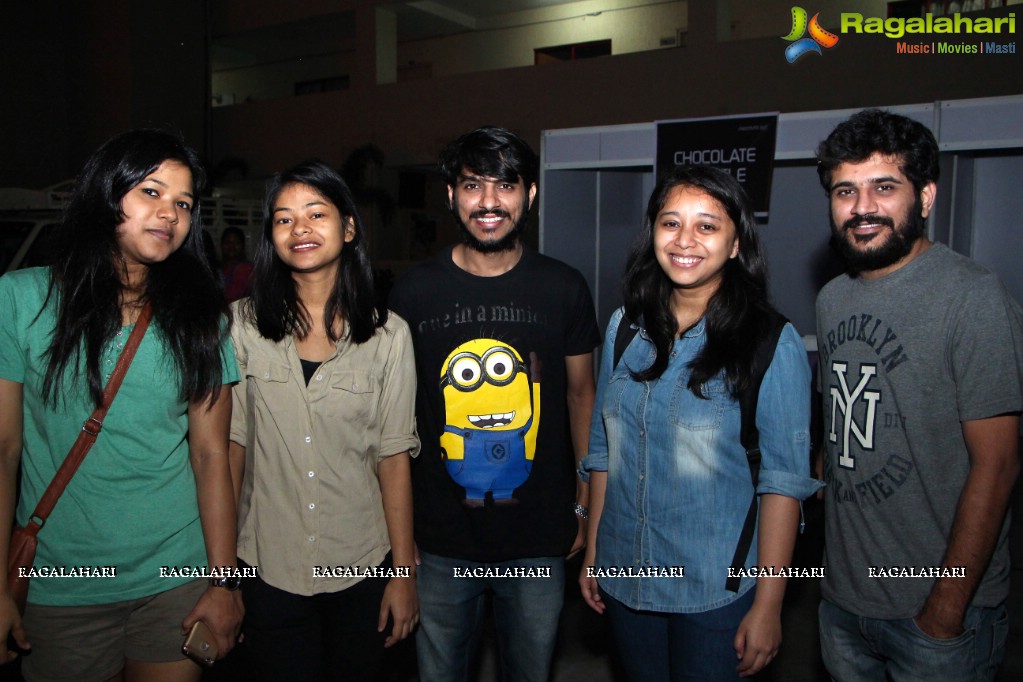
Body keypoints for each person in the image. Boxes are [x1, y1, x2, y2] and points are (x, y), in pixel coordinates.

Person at [0, 128, 242, 681]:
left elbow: (212, 458)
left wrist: (224, 582)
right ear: (106, 195)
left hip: (173, 576)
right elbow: (5, 450)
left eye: (183, 203)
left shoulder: (203, 317)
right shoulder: (20, 299)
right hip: (62, 584)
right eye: (151, 193)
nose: (169, 214)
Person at [579, 165, 821, 681]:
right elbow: (605, 452)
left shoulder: (769, 343)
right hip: (626, 577)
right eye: (671, 223)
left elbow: (782, 485)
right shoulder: (625, 328)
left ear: (735, 244)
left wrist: (769, 605)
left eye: (707, 226)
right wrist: (596, 551)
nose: (685, 240)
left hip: (717, 591)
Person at [814, 108, 1023, 681]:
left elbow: (998, 465)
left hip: (934, 618)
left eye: (885, 187)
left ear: (925, 196)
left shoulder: (973, 298)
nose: (862, 208)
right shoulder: (832, 298)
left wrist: (944, 610)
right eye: (845, 191)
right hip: (842, 605)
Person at [389, 126, 599, 682]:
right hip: (439, 540)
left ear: (530, 194)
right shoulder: (413, 293)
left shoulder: (563, 287)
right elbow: (398, 420)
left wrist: (583, 501)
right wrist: (400, 535)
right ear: (451, 195)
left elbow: (583, 395)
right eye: (473, 185)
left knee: (530, 672)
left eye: (505, 185)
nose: (488, 202)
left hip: (537, 535)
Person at [228, 160, 419, 681]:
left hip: (359, 565)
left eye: (317, 214)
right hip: (268, 565)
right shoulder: (242, 326)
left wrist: (402, 575)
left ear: (349, 227)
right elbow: (230, 452)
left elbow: (394, 458)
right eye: (284, 219)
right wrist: (222, 575)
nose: (301, 229)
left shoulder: (388, 335)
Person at [220, 226, 254, 302]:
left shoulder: (245, 268)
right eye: (228, 242)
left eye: (237, 243)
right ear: (221, 245)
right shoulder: (220, 267)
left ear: (243, 246)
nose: (231, 246)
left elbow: (233, 296)